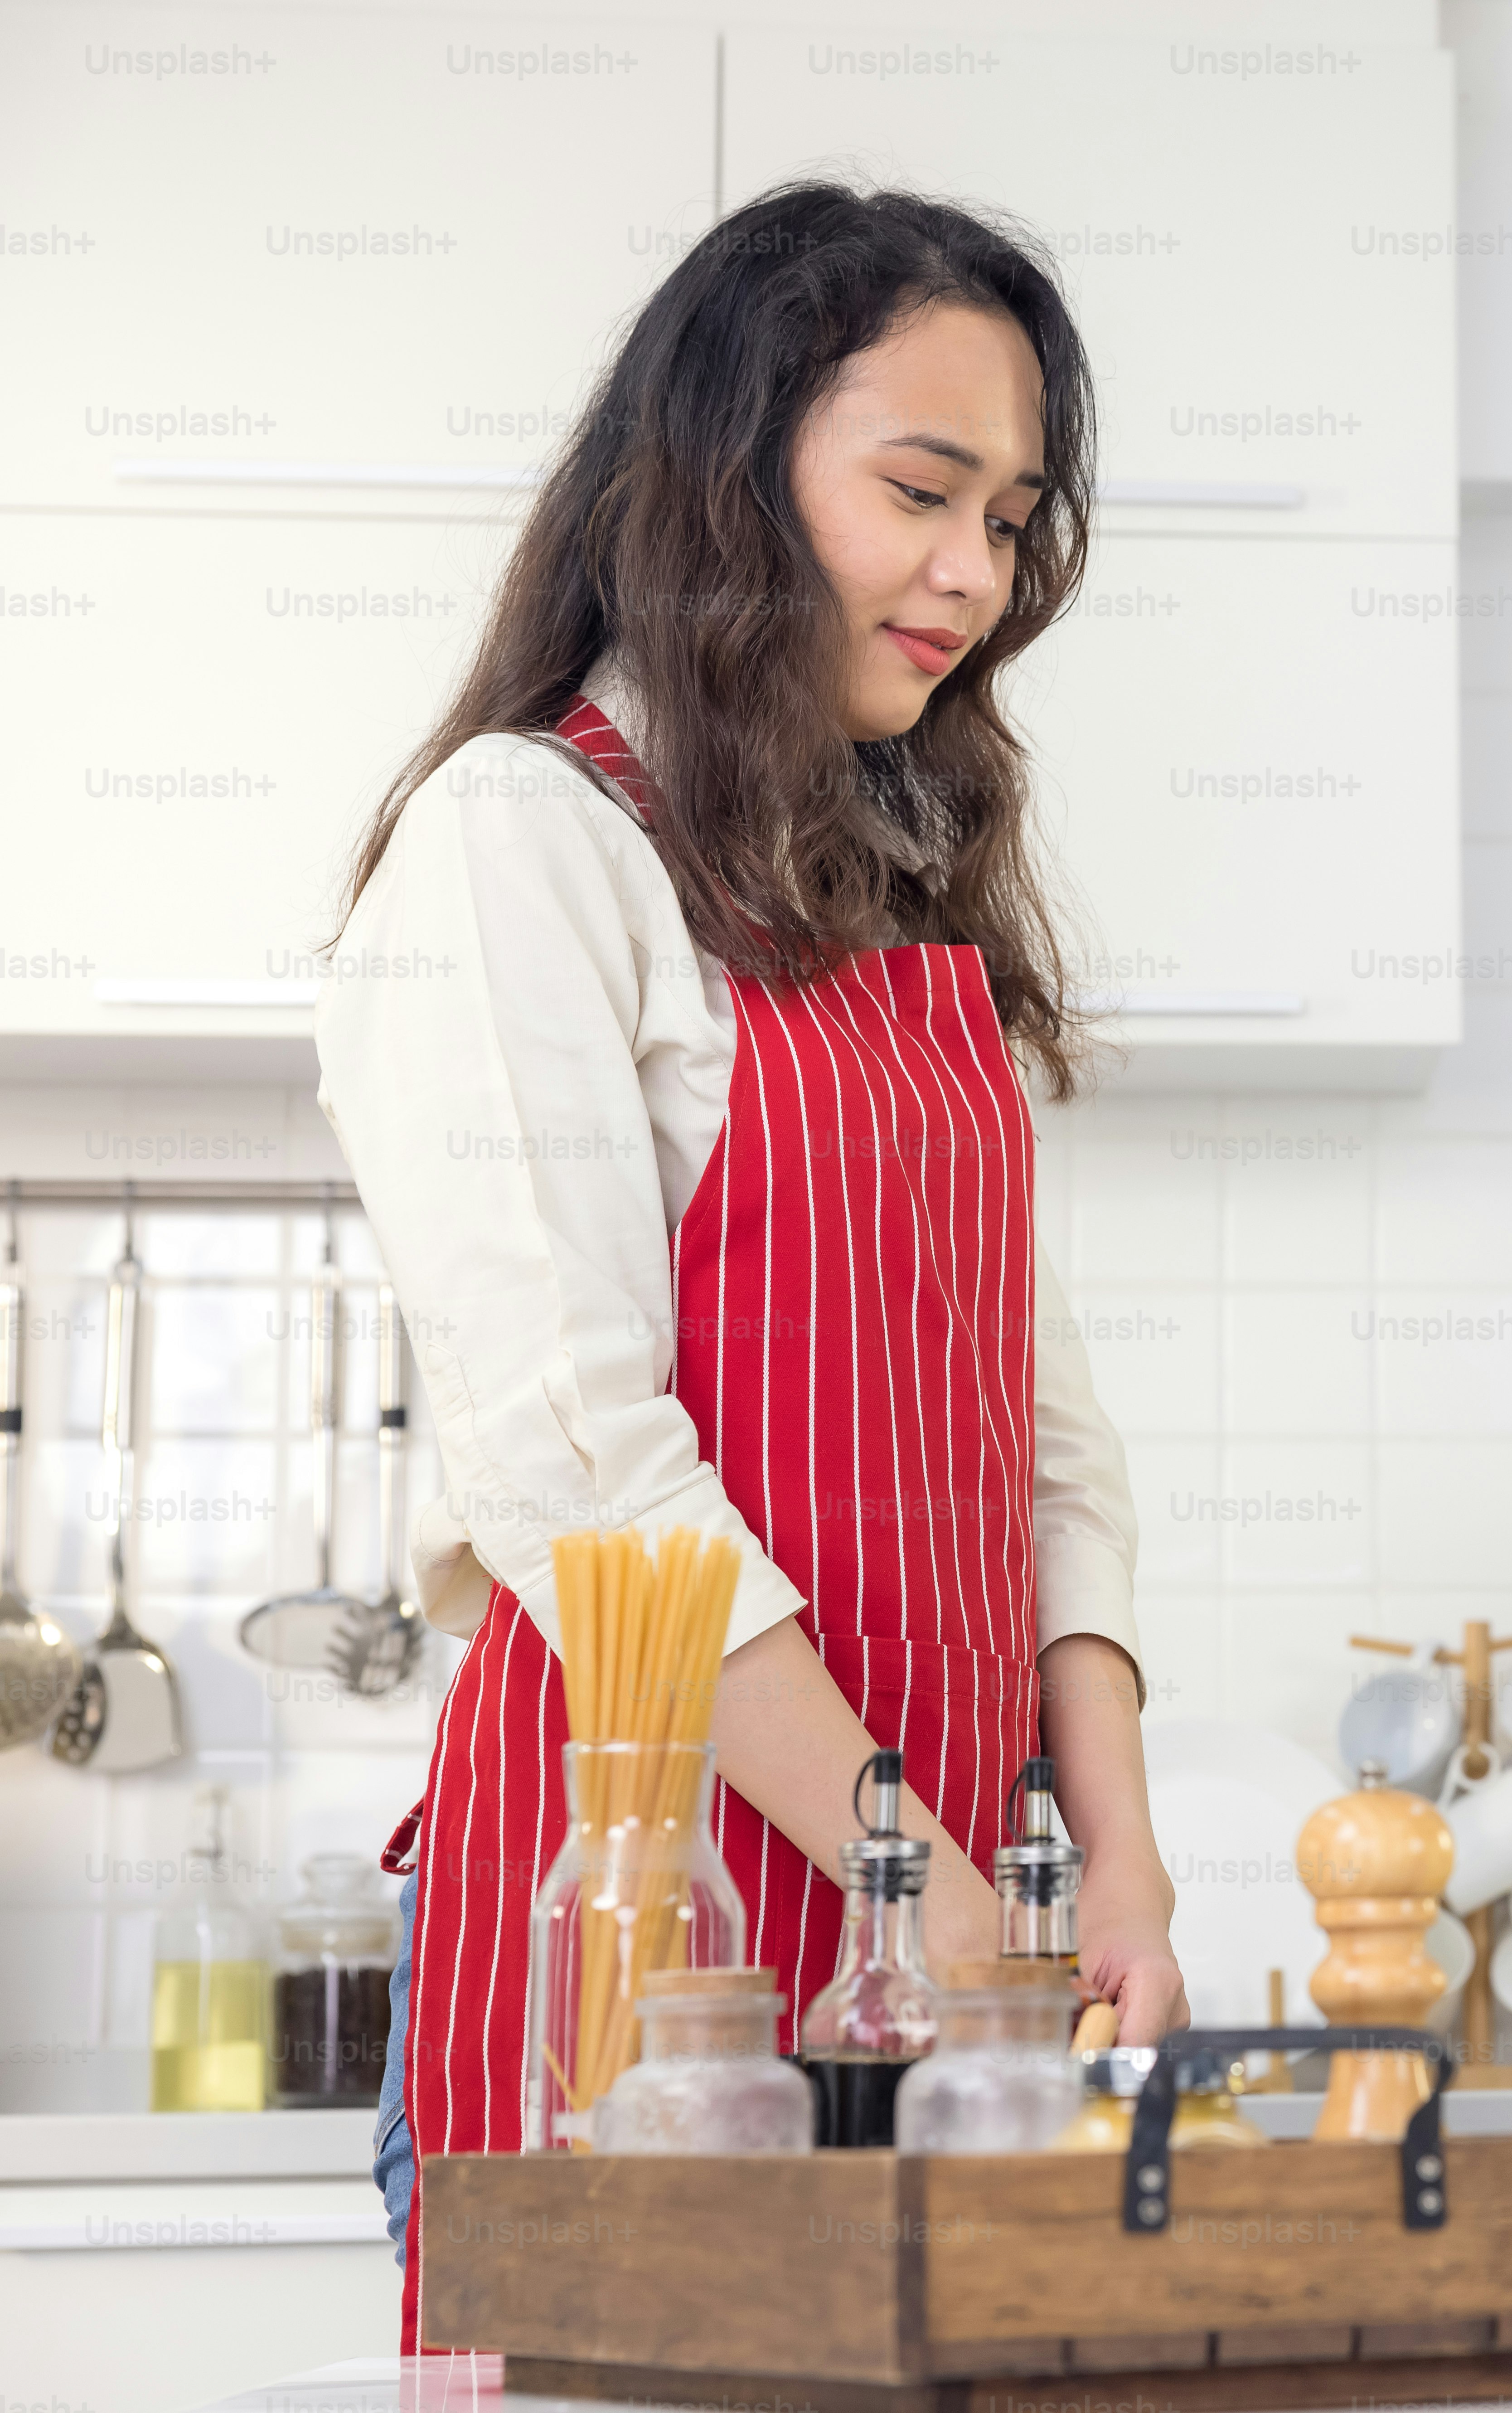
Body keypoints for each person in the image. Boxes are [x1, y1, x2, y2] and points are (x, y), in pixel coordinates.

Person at [317, 184, 1181, 2348]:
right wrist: (952, 1895)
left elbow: (1042, 1439)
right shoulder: (521, 844)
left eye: (1012, 516)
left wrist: (1116, 1860)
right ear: (725, 466)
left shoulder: (910, 915)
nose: (975, 574)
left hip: (950, 1950)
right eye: (919, 491)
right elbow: (581, 1469)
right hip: (636, 1925)